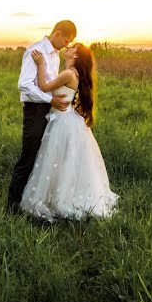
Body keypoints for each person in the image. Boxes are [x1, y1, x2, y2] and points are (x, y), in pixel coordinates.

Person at [19, 42, 118, 220]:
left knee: (57, 159)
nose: (68, 47)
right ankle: (62, 195)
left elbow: (43, 86)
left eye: (72, 47)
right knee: (65, 161)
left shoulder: (68, 74)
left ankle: (59, 199)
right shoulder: (74, 73)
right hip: (67, 118)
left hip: (63, 121)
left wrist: (41, 64)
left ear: (76, 55)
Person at [6, 20, 77, 213]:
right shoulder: (36, 51)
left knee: (42, 157)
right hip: (35, 110)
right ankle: (11, 206)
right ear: (58, 33)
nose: (66, 45)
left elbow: (48, 83)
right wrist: (49, 100)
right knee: (29, 156)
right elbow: (25, 85)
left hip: (49, 110)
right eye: (67, 40)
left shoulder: (54, 55)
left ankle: (31, 200)